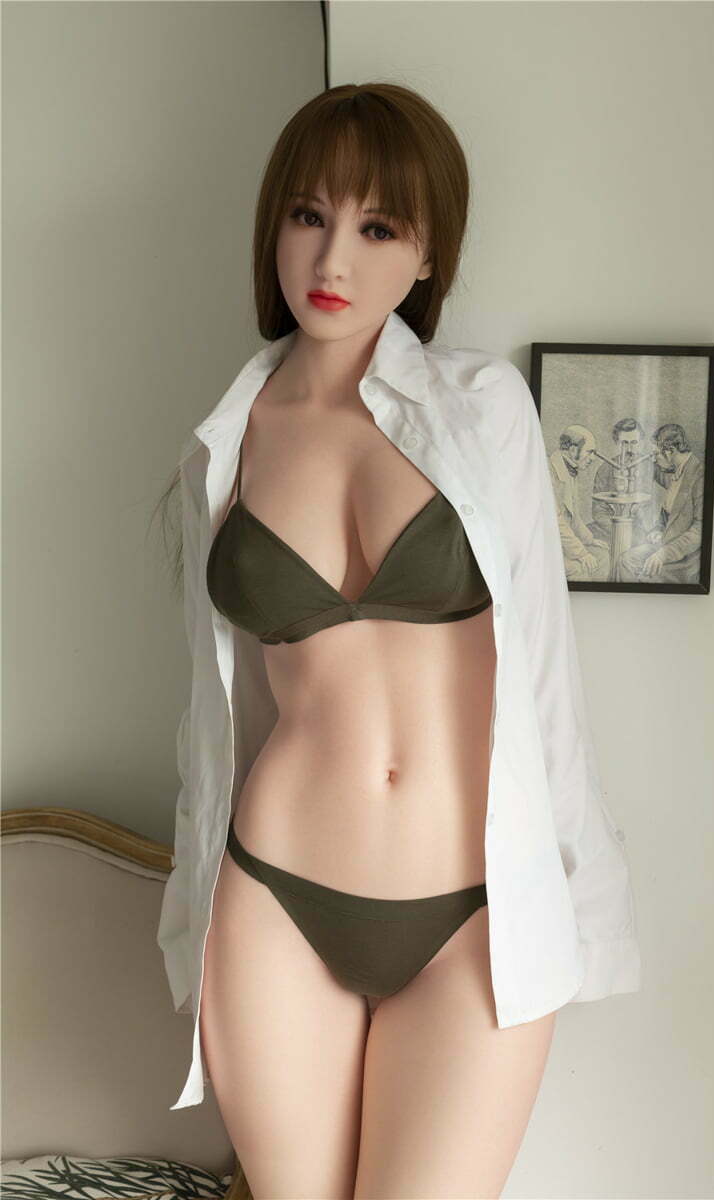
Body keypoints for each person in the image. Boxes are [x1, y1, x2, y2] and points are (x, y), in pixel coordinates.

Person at [153, 82, 641, 1199]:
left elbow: (546, 680)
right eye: (308, 214)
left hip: (472, 913)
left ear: (427, 255)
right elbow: (214, 718)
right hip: (274, 896)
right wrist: (191, 918)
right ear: (273, 224)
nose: (333, 256)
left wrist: (585, 909)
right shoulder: (222, 448)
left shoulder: (483, 410)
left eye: (378, 227)